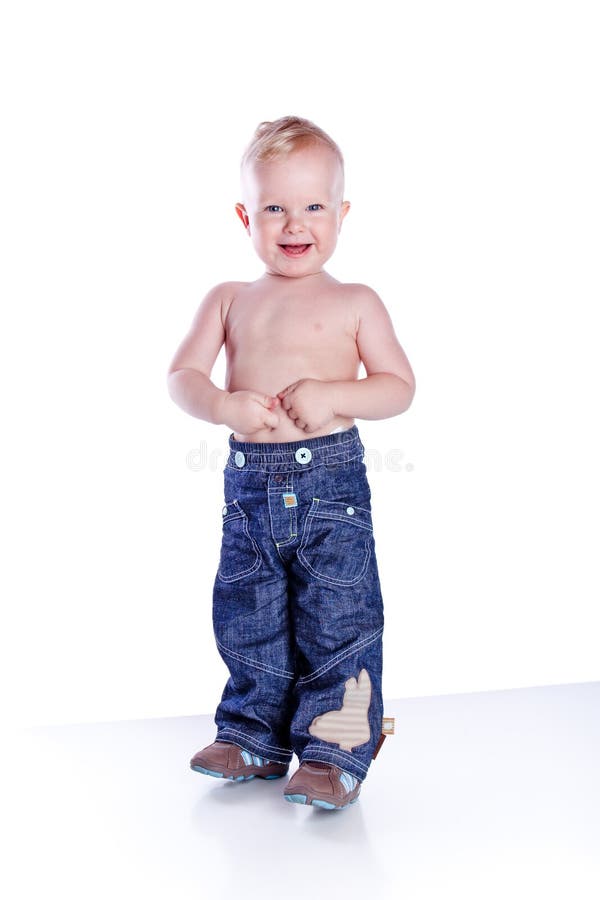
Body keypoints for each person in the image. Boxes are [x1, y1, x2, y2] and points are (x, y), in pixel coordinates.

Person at [167, 115, 416, 810]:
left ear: (341, 214)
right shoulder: (230, 299)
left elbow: (399, 387)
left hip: (330, 487)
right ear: (246, 215)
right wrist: (222, 406)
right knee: (248, 615)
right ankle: (252, 736)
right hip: (250, 491)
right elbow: (182, 375)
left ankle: (335, 753)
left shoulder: (354, 302)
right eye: (274, 207)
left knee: (340, 620)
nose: (293, 223)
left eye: (312, 206)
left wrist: (334, 393)